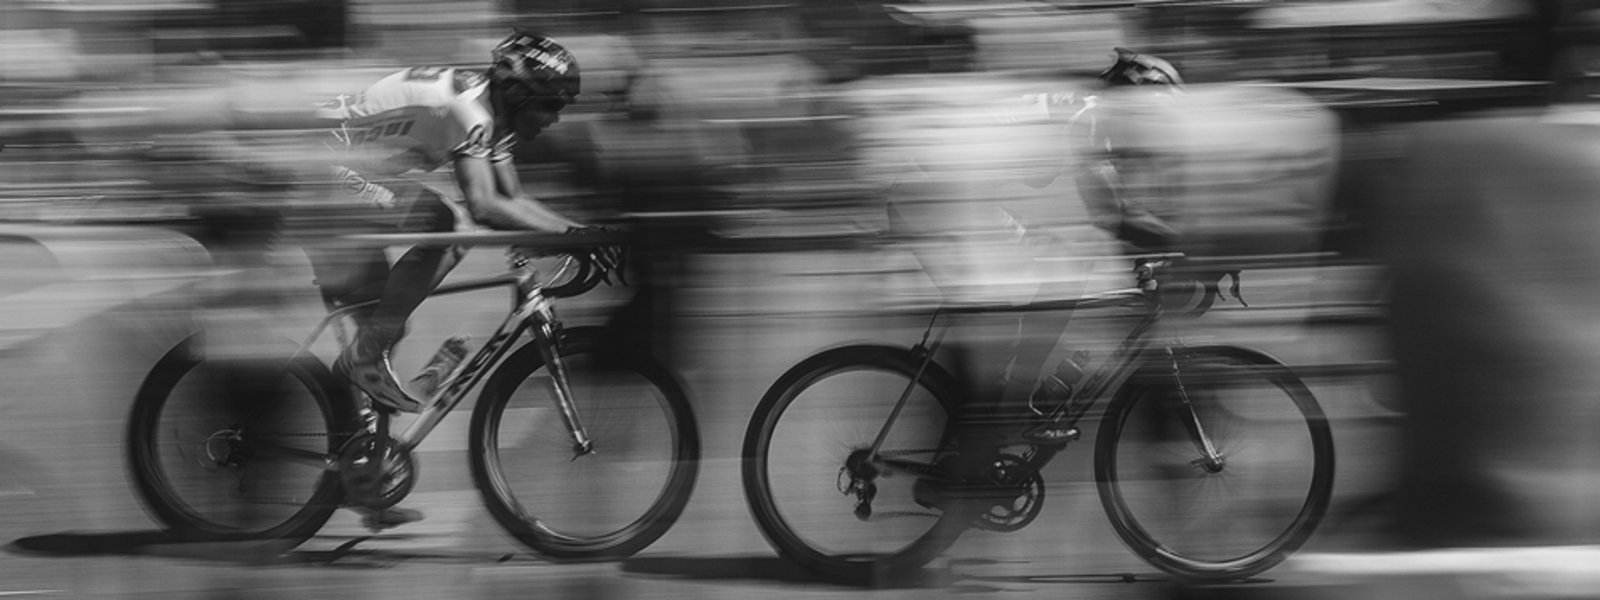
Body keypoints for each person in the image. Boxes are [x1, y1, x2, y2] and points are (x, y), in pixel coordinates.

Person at [313, 31, 618, 414]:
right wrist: (573, 237)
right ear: (520, 94)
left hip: (338, 170)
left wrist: (579, 233)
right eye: (551, 105)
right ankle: (364, 365)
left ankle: (357, 452)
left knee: (385, 321)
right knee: (452, 225)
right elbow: (485, 205)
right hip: (319, 170)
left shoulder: (491, 113)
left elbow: (514, 199)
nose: (555, 118)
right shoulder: (469, 111)